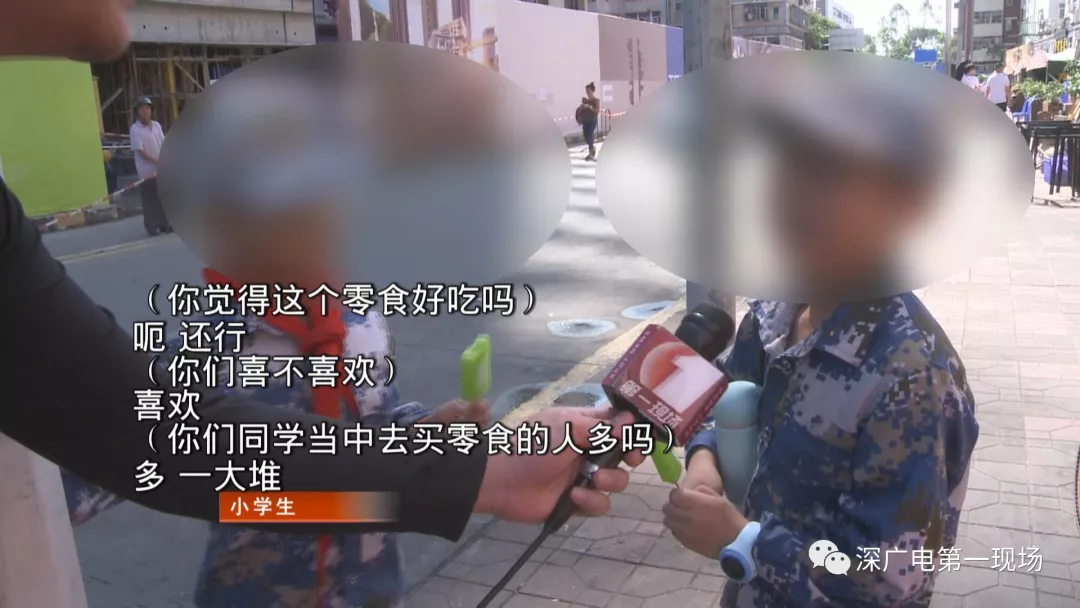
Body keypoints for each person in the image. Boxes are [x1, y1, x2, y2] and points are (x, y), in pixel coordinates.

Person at [0, 0, 643, 541]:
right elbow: (126, 452)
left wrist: (433, 440)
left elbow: (371, 427)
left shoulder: (359, 319)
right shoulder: (209, 339)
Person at [63, 141, 492, 605]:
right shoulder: (203, 349)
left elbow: (377, 426)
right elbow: (105, 460)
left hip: (370, 592)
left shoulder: (361, 322)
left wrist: (425, 428)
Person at [661, 94, 979, 606]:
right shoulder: (771, 316)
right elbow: (720, 401)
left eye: (831, 178)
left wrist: (742, 541)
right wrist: (704, 459)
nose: (796, 198)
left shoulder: (913, 376)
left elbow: (892, 578)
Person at [130, 96, 172, 236]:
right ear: (137, 112)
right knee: (150, 199)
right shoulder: (135, 129)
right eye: (142, 109)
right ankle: (151, 225)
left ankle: (165, 223)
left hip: (161, 168)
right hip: (146, 170)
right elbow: (140, 151)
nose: (145, 111)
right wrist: (156, 161)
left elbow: (163, 142)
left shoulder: (156, 125)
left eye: (147, 108)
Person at [576, 82, 601, 161]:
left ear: (593, 91)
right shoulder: (584, 100)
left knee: (589, 136)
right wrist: (581, 107)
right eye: (587, 91)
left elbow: (597, 111)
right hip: (585, 121)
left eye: (589, 91)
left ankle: (591, 153)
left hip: (592, 121)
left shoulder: (596, 100)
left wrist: (590, 107)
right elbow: (581, 110)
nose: (588, 92)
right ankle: (592, 147)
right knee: (586, 136)